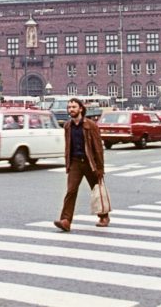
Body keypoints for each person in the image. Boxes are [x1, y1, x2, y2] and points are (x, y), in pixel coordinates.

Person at [54, 97, 109, 231]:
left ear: (81, 109)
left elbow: (98, 148)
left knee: (97, 190)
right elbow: (68, 146)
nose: (71, 110)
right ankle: (66, 220)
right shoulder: (68, 125)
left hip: (90, 163)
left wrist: (100, 167)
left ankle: (104, 216)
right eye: (69, 107)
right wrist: (68, 164)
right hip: (75, 163)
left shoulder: (90, 125)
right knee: (71, 191)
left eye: (74, 107)